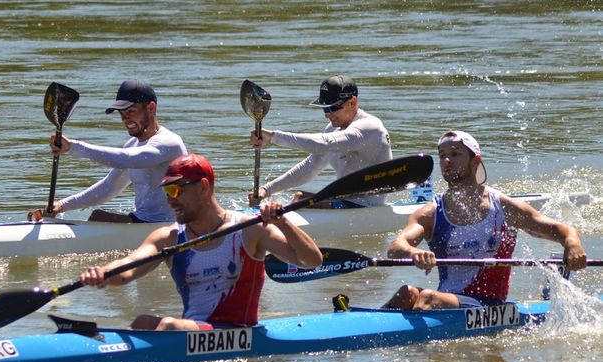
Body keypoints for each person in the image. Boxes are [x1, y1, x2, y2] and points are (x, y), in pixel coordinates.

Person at [80, 154, 323, 330]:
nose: (170, 201)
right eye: (166, 192)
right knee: (143, 322)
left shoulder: (251, 230)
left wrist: (283, 223)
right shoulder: (169, 238)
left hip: (238, 332)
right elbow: (129, 267)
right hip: (193, 330)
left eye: (175, 190)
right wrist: (102, 273)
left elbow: (311, 261)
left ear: (203, 187)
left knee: (169, 327)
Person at [382, 130, 587, 310]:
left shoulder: (503, 207)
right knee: (405, 293)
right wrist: (413, 251)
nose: (446, 161)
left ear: (475, 160)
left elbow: (562, 230)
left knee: (427, 298)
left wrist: (573, 244)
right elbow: (395, 248)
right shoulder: (430, 213)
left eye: (455, 154)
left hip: (489, 303)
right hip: (445, 300)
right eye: (442, 155)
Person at [33, 79, 187, 223]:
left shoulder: (169, 143)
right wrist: (62, 205)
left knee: (97, 216)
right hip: (141, 222)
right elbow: (108, 188)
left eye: (131, 111)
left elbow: (129, 159)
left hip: (168, 226)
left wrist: (73, 147)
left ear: (151, 108)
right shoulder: (132, 144)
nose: (125, 119)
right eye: (122, 114)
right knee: (98, 216)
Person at [249, 74, 392, 208]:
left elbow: (324, 143)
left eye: (332, 107)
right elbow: (309, 168)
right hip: (344, 202)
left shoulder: (370, 127)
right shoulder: (332, 129)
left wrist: (273, 137)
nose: (327, 114)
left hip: (368, 207)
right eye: (325, 109)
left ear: (352, 102)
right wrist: (266, 190)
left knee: (300, 198)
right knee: (298, 198)